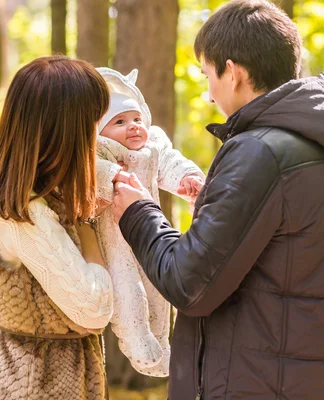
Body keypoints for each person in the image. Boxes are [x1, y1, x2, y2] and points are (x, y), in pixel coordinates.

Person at [111, 1, 324, 399]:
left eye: (208, 76)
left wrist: (138, 213)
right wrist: (213, 214)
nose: (207, 95)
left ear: (233, 73)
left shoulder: (259, 152)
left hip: (256, 383)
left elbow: (189, 284)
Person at [0, 56, 113, 399]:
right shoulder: (23, 213)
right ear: (64, 129)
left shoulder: (2, 185)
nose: (95, 133)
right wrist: (87, 220)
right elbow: (93, 310)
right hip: (35, 380)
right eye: (91, 121)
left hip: (12, 370)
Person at [93, 67, 205, 377]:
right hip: (113, 239)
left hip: (144, 230)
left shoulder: (151, 148)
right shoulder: (101, 150)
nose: (132, 127)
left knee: (157, 288)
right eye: (119, 122)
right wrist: (113, 176)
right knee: (129, 289)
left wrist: (188, 179)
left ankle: (162, 344)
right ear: (101, 130)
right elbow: (94, 171)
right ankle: (136, 340)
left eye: (136, 119)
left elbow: (170, 161)